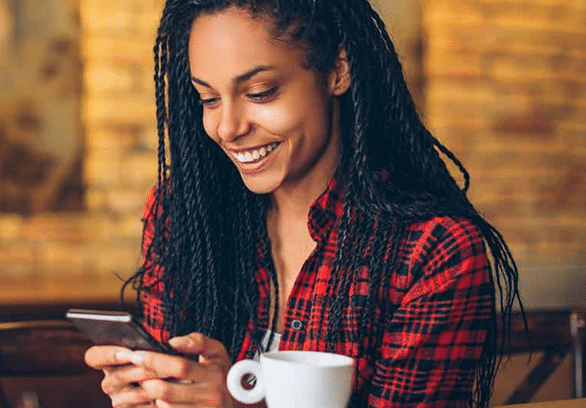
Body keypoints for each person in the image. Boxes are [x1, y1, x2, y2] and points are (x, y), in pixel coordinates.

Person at [85, 0, 523, 407]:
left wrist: (238, 403)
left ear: (337, 70)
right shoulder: (182, 216)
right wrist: (153, 391)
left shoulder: (432, 251)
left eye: (260, 92)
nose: (227, 127)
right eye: (209, 99)